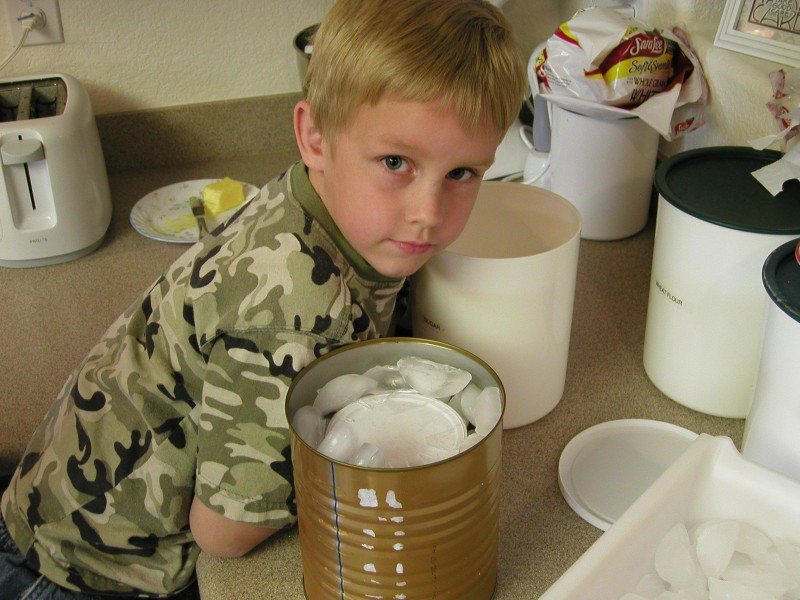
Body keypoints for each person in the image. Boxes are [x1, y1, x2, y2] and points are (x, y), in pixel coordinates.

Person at [0, 0, 527, 597]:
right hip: (78, 571)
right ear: (314, 138)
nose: (428, 214)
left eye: (461, 174)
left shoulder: (330, 206)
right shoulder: (291, 313)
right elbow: (222, 536)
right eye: (395, 162)